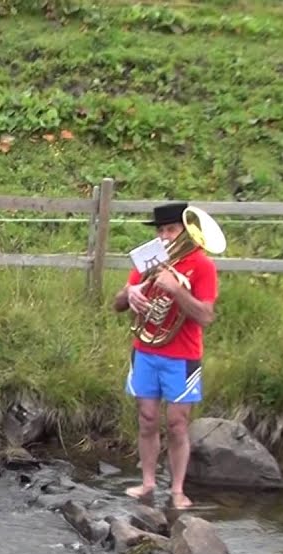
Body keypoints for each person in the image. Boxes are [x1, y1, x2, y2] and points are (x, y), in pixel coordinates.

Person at [113, 202, 218, 509]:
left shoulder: (202, 265)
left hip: (182, 355)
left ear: (186, 231)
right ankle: (147, 483)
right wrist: (128, 293)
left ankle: (177, 490)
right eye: (161, 230)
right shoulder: (150, 258)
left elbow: (205, 316)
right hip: (145, 351)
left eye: (171, 229)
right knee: (146, 419)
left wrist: (176, 290)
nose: (165, 236)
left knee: (177, 424)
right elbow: (118, 304)